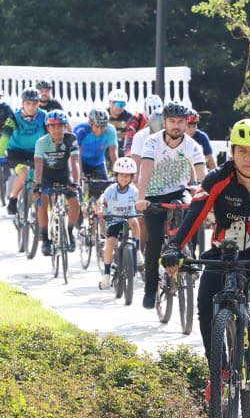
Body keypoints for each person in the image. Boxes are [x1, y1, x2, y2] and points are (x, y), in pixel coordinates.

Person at [161, 119, 250, 378]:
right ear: (232, 152)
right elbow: (195, 215)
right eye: (241, 151)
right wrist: (174, 247)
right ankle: (216, 371)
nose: (248, 158)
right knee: (205, 300)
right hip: (223, 252)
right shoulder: (217, 178)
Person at [135, 102, 207, 309]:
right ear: (164, 122)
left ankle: (187, 253)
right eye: (172, 121)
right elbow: (146, 170)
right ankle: (150, 290)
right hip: (153, 195)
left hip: (179, 191)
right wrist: (141, 197)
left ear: (186, 124)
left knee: (192, 209)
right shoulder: (152, 142)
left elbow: (202, 174)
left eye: (181, 122)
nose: (176, 126)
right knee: (155, 241)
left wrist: (203, 192)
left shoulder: (193, 145)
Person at [34, 111, 82, 255]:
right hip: (46, 175)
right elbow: (38, 164)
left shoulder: (71, 139)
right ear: (48, 128)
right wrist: (37, 184)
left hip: (63, 174)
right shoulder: (42, 142)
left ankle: (69, 232)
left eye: (60, 126)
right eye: (53, 127)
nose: (57, 130)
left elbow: (75, 162)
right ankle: (45, 238)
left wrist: (76, 182)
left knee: (74, 202)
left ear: (65, 126)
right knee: (42, 201)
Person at [0, 89, 48, 214]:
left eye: (34, 104)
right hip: (16, 151)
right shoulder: (14, 117)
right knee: (24, 172)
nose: (31, 107)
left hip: (36, 151)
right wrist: (0, 153)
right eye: (28, 104)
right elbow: (5, 136)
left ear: (39, 104)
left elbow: (51, 135)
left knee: (40, 176)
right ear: (23, 104)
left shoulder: (44, 116)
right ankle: (13, 198)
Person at [97, 156, 142, 289]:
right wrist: (100, 208)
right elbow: (102, 199)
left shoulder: (134, 190)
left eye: (127, 176)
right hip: (114, 220)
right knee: (110, 244)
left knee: (134, 221)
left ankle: (137, 250)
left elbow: (139, 202)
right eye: (121, 175)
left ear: (132, 177)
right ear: (116, 175)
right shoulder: (111, 189)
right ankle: (106, 274)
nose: (124, 178)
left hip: (128, 218)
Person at [74, 108, 118, 201]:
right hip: (82, 161)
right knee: (78, 190)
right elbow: (77, 155)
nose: (100, 130)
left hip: (98, 162)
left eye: (103, 126)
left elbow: (113, 153)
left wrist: (118, 173)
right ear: (91, 124)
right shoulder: (81, 131)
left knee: (105, 189)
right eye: (97, 126)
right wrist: (80, 175)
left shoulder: (110, 131)